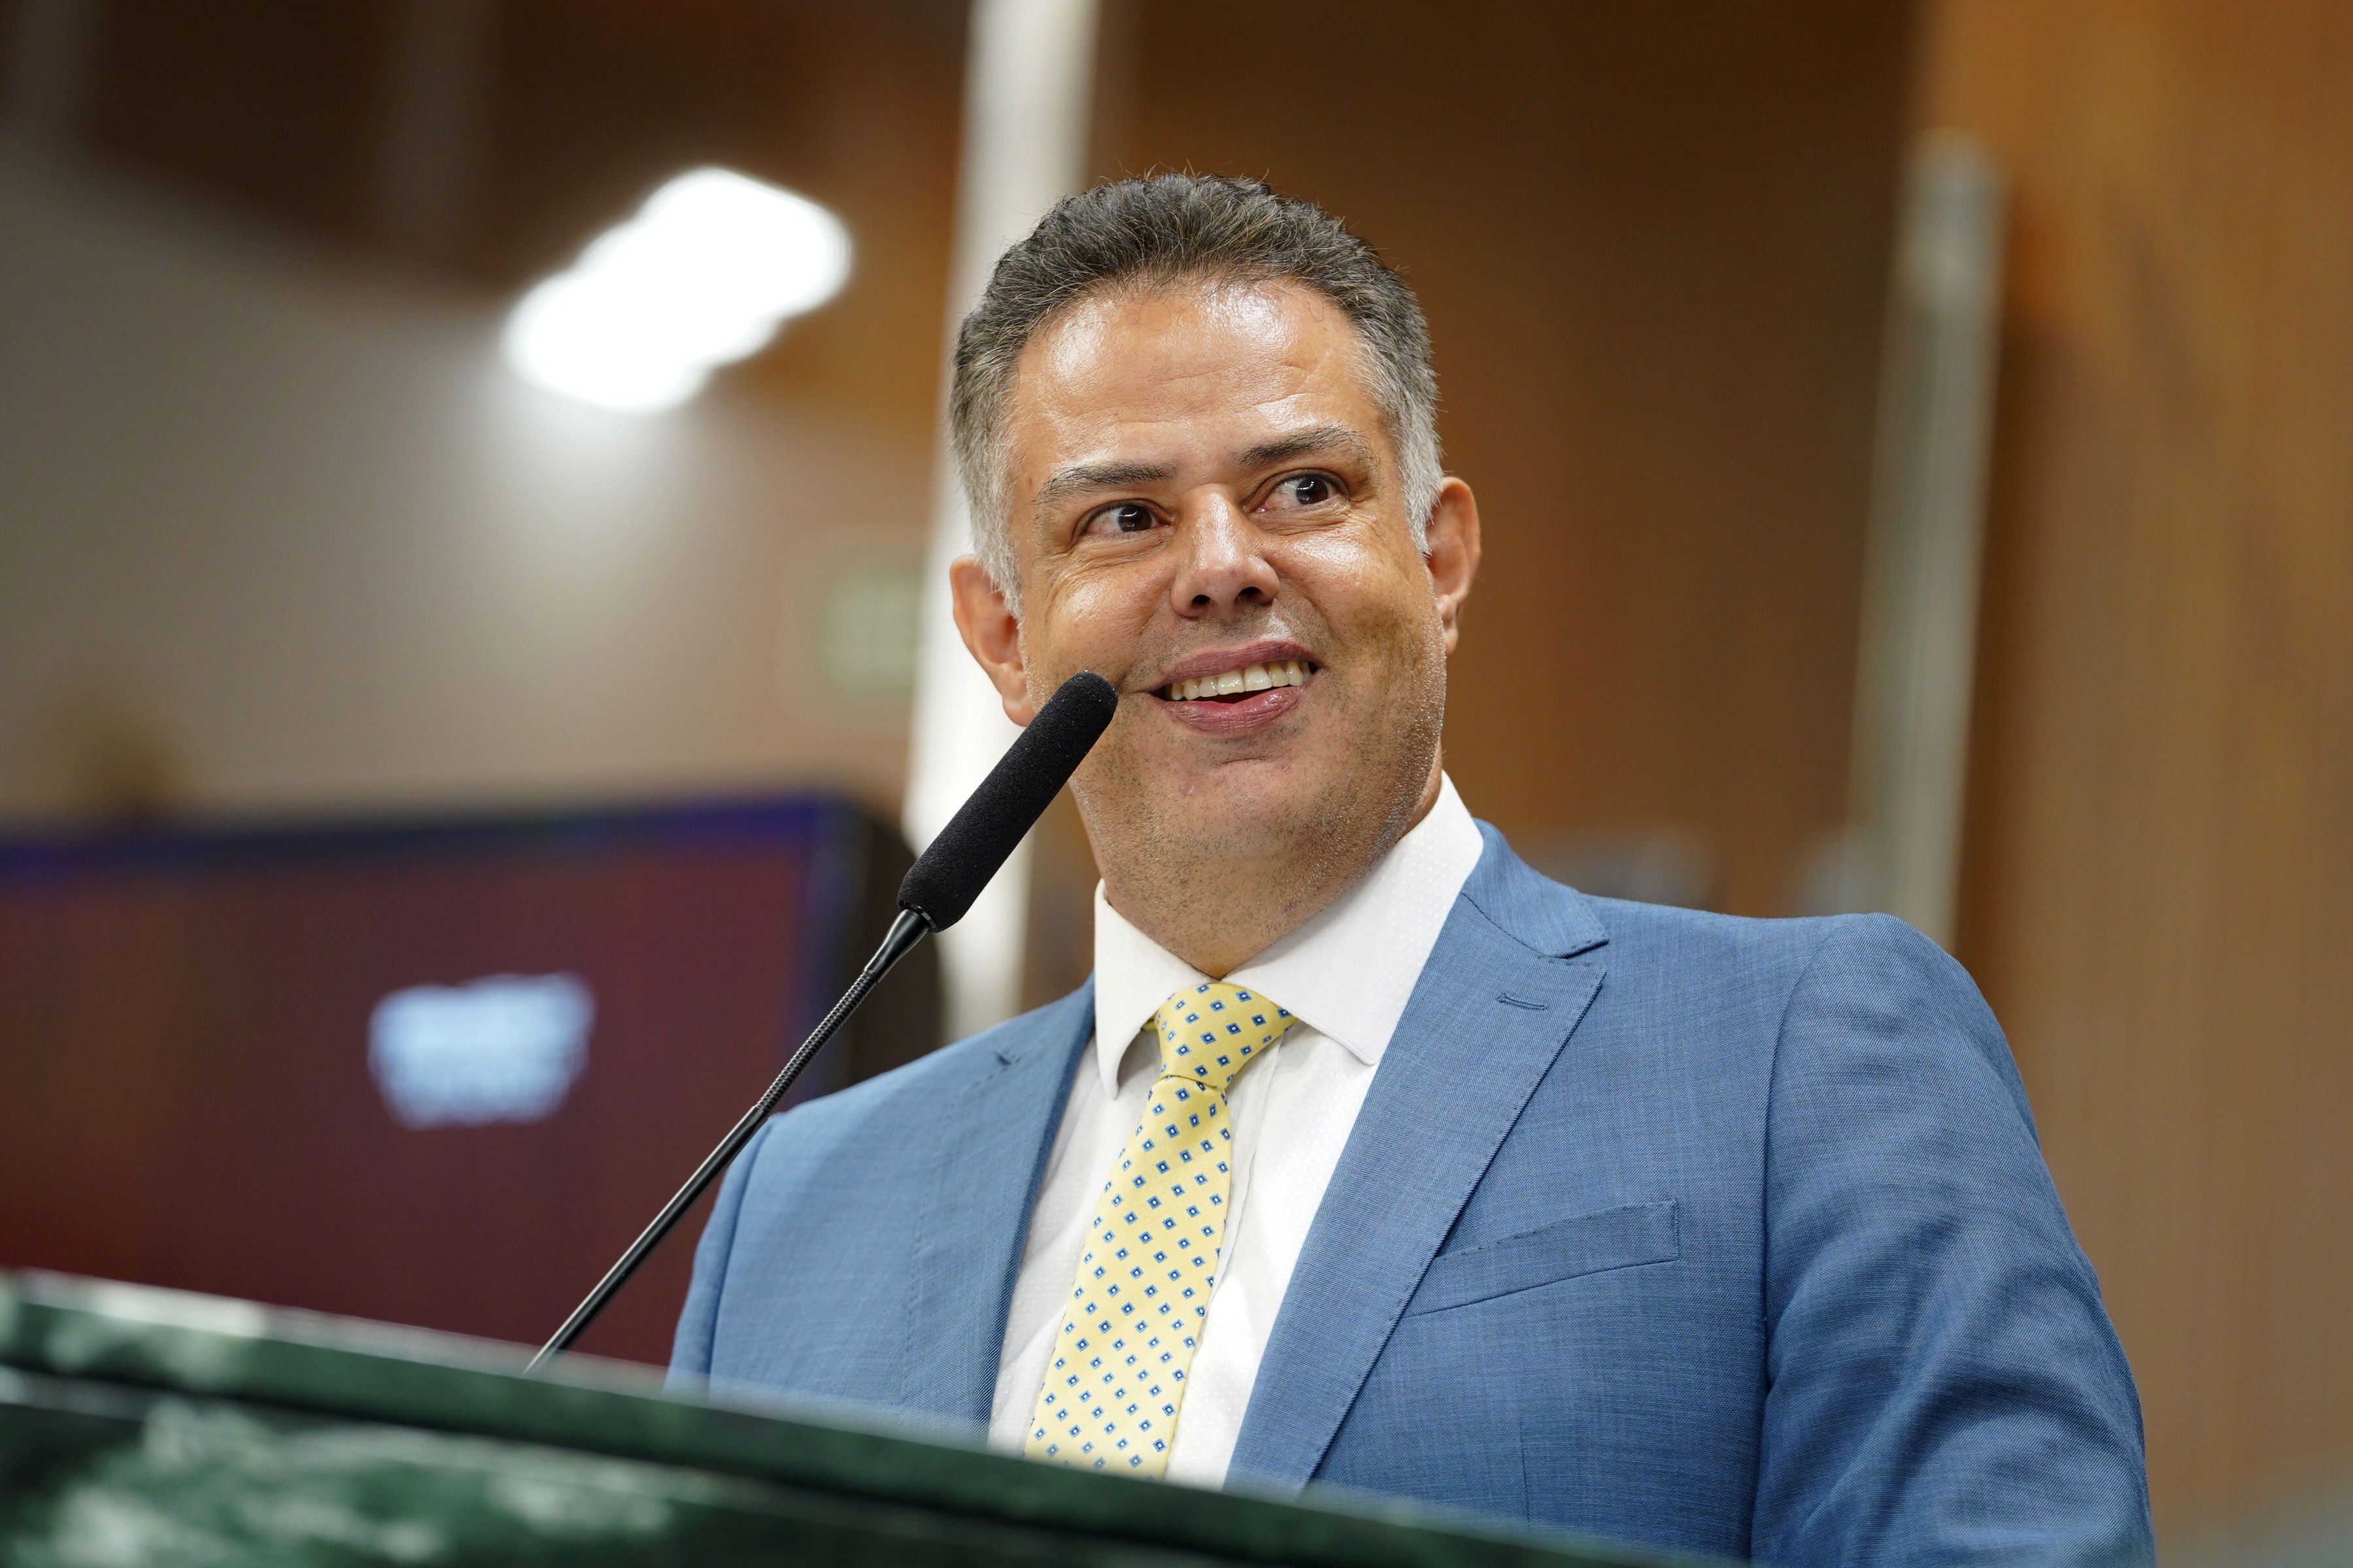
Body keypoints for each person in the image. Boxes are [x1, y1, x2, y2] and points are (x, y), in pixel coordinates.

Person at [673, 174, 2152, 1563]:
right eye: (1124, 519)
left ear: (1440, 561)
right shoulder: (797, 1208)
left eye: (1303, 489)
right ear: (1003, 635)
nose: (1221, 565)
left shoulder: (1805, 1056)